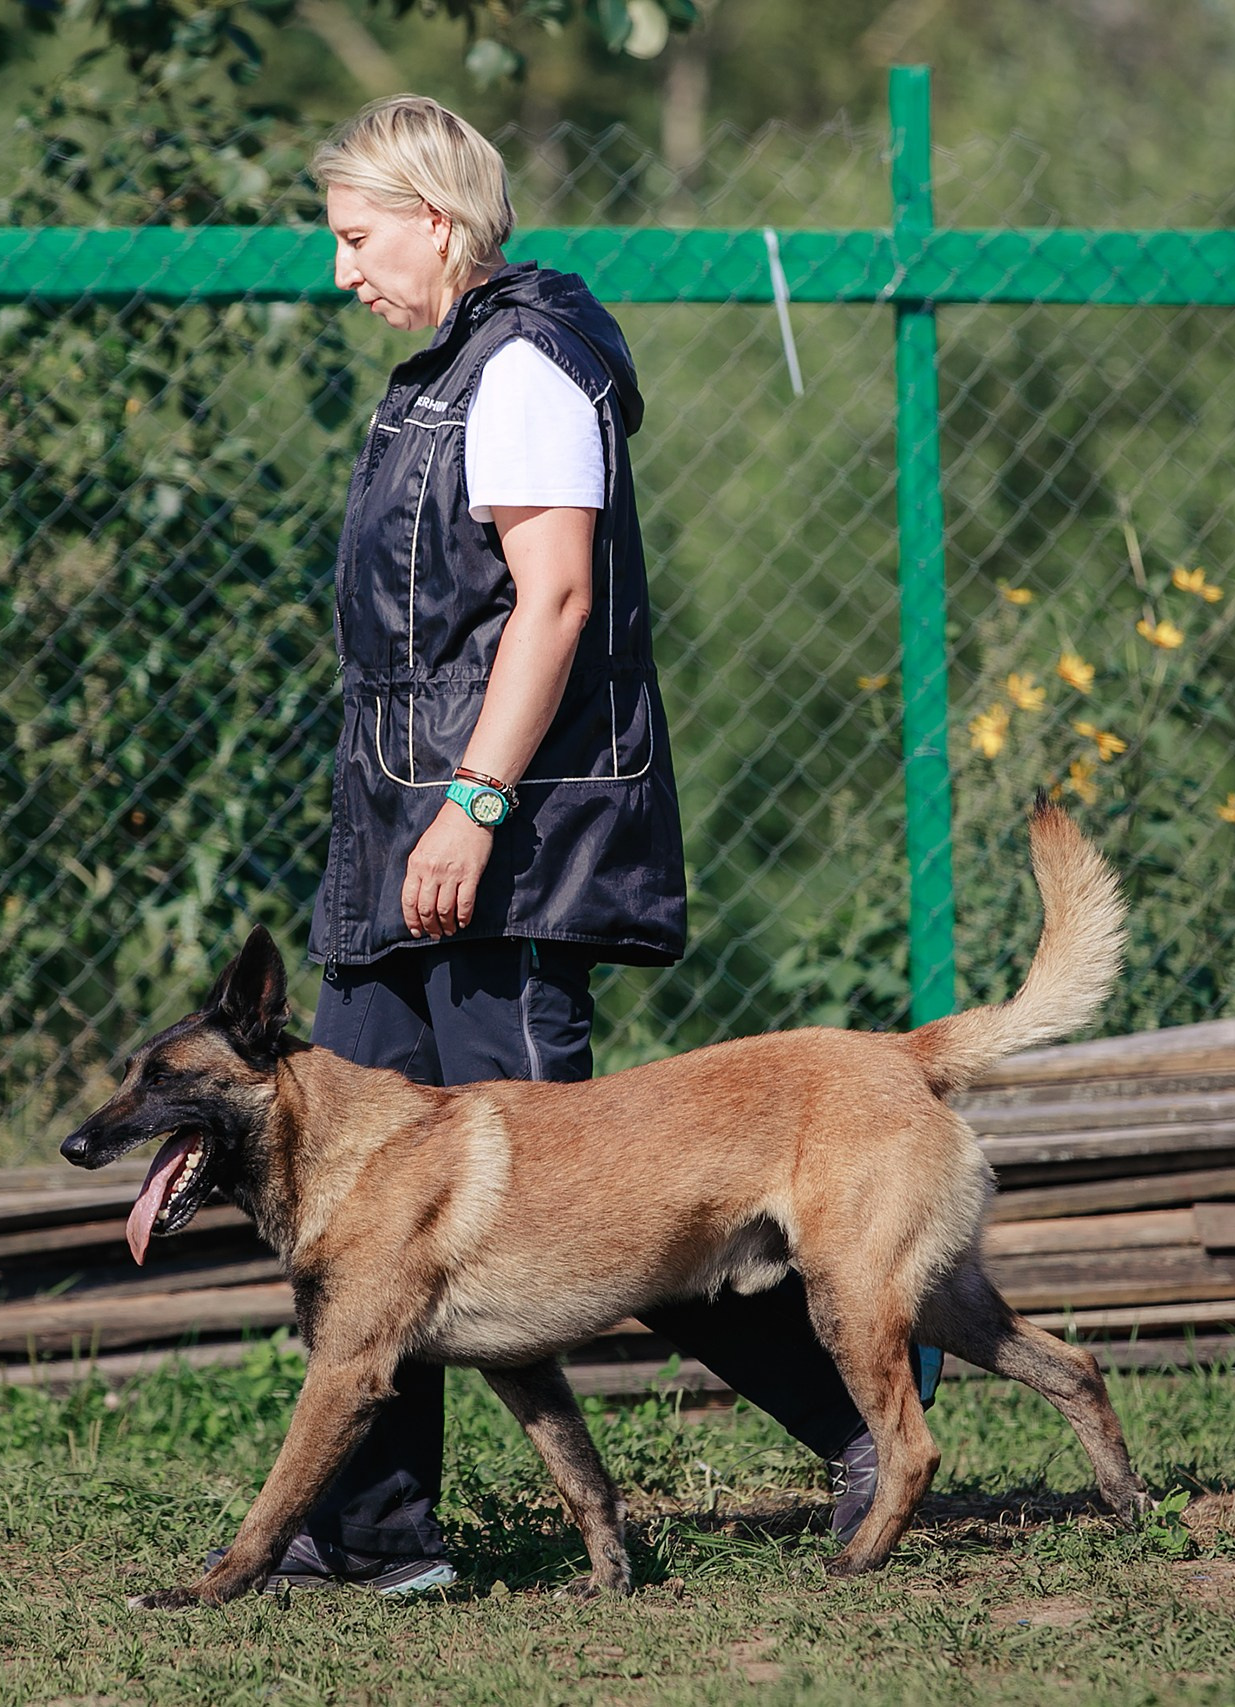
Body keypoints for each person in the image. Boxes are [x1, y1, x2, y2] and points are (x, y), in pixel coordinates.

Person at [275, 94, 936, 1596]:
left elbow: (553, 602)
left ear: (435, 223)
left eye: (357, 237)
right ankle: (373, 1536)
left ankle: (866, 1420)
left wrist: (475, 801)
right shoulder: (440, 373)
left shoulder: (525, 371)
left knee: (604, 1208)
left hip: (498, 850)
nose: (341, 273)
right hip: (397, 844)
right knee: (361, 1189)